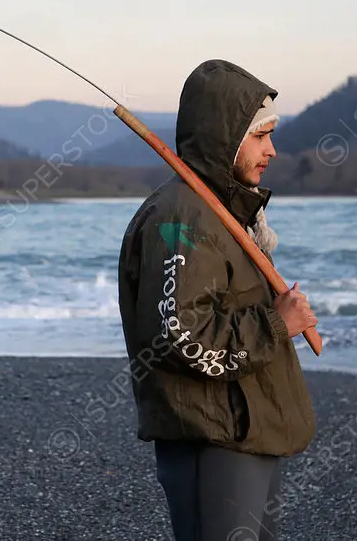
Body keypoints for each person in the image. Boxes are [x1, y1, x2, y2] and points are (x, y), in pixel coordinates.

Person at [117, 59, 318, 540]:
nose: (271, 149)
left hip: (243, 428)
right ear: (224, 135)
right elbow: (179, 335)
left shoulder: (222, 209)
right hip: (212, 435)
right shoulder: (184, 217)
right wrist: (277, 323)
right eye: (260, 135)